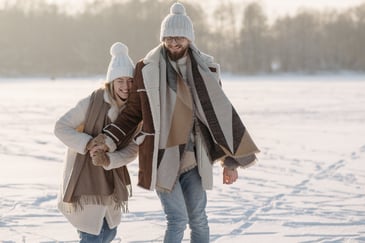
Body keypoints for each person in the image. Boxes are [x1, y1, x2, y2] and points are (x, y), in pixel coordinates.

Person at [89, 3, 259, 243]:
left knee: (198, 218)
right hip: (161, 159)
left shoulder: (206, 68)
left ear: (189, 38)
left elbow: (218, 118)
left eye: (179, 37)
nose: (173, 43)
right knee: (177, 219)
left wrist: (230, 162)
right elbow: (133, 113)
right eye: (168, 38)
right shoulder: (146, 68)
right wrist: (106, 140)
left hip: (194, 159)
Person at [54, 42, 138, 243]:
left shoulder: (136, 112)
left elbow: (132, 149)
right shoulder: (92, 102)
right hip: (86, 178)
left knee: (109, 232)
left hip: (111, 178)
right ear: (111, 82)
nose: (125, 86)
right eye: (120, 81)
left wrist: (109, 160)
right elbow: (60, 127)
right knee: (91, 233)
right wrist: (89, 144)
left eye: (130, 80)